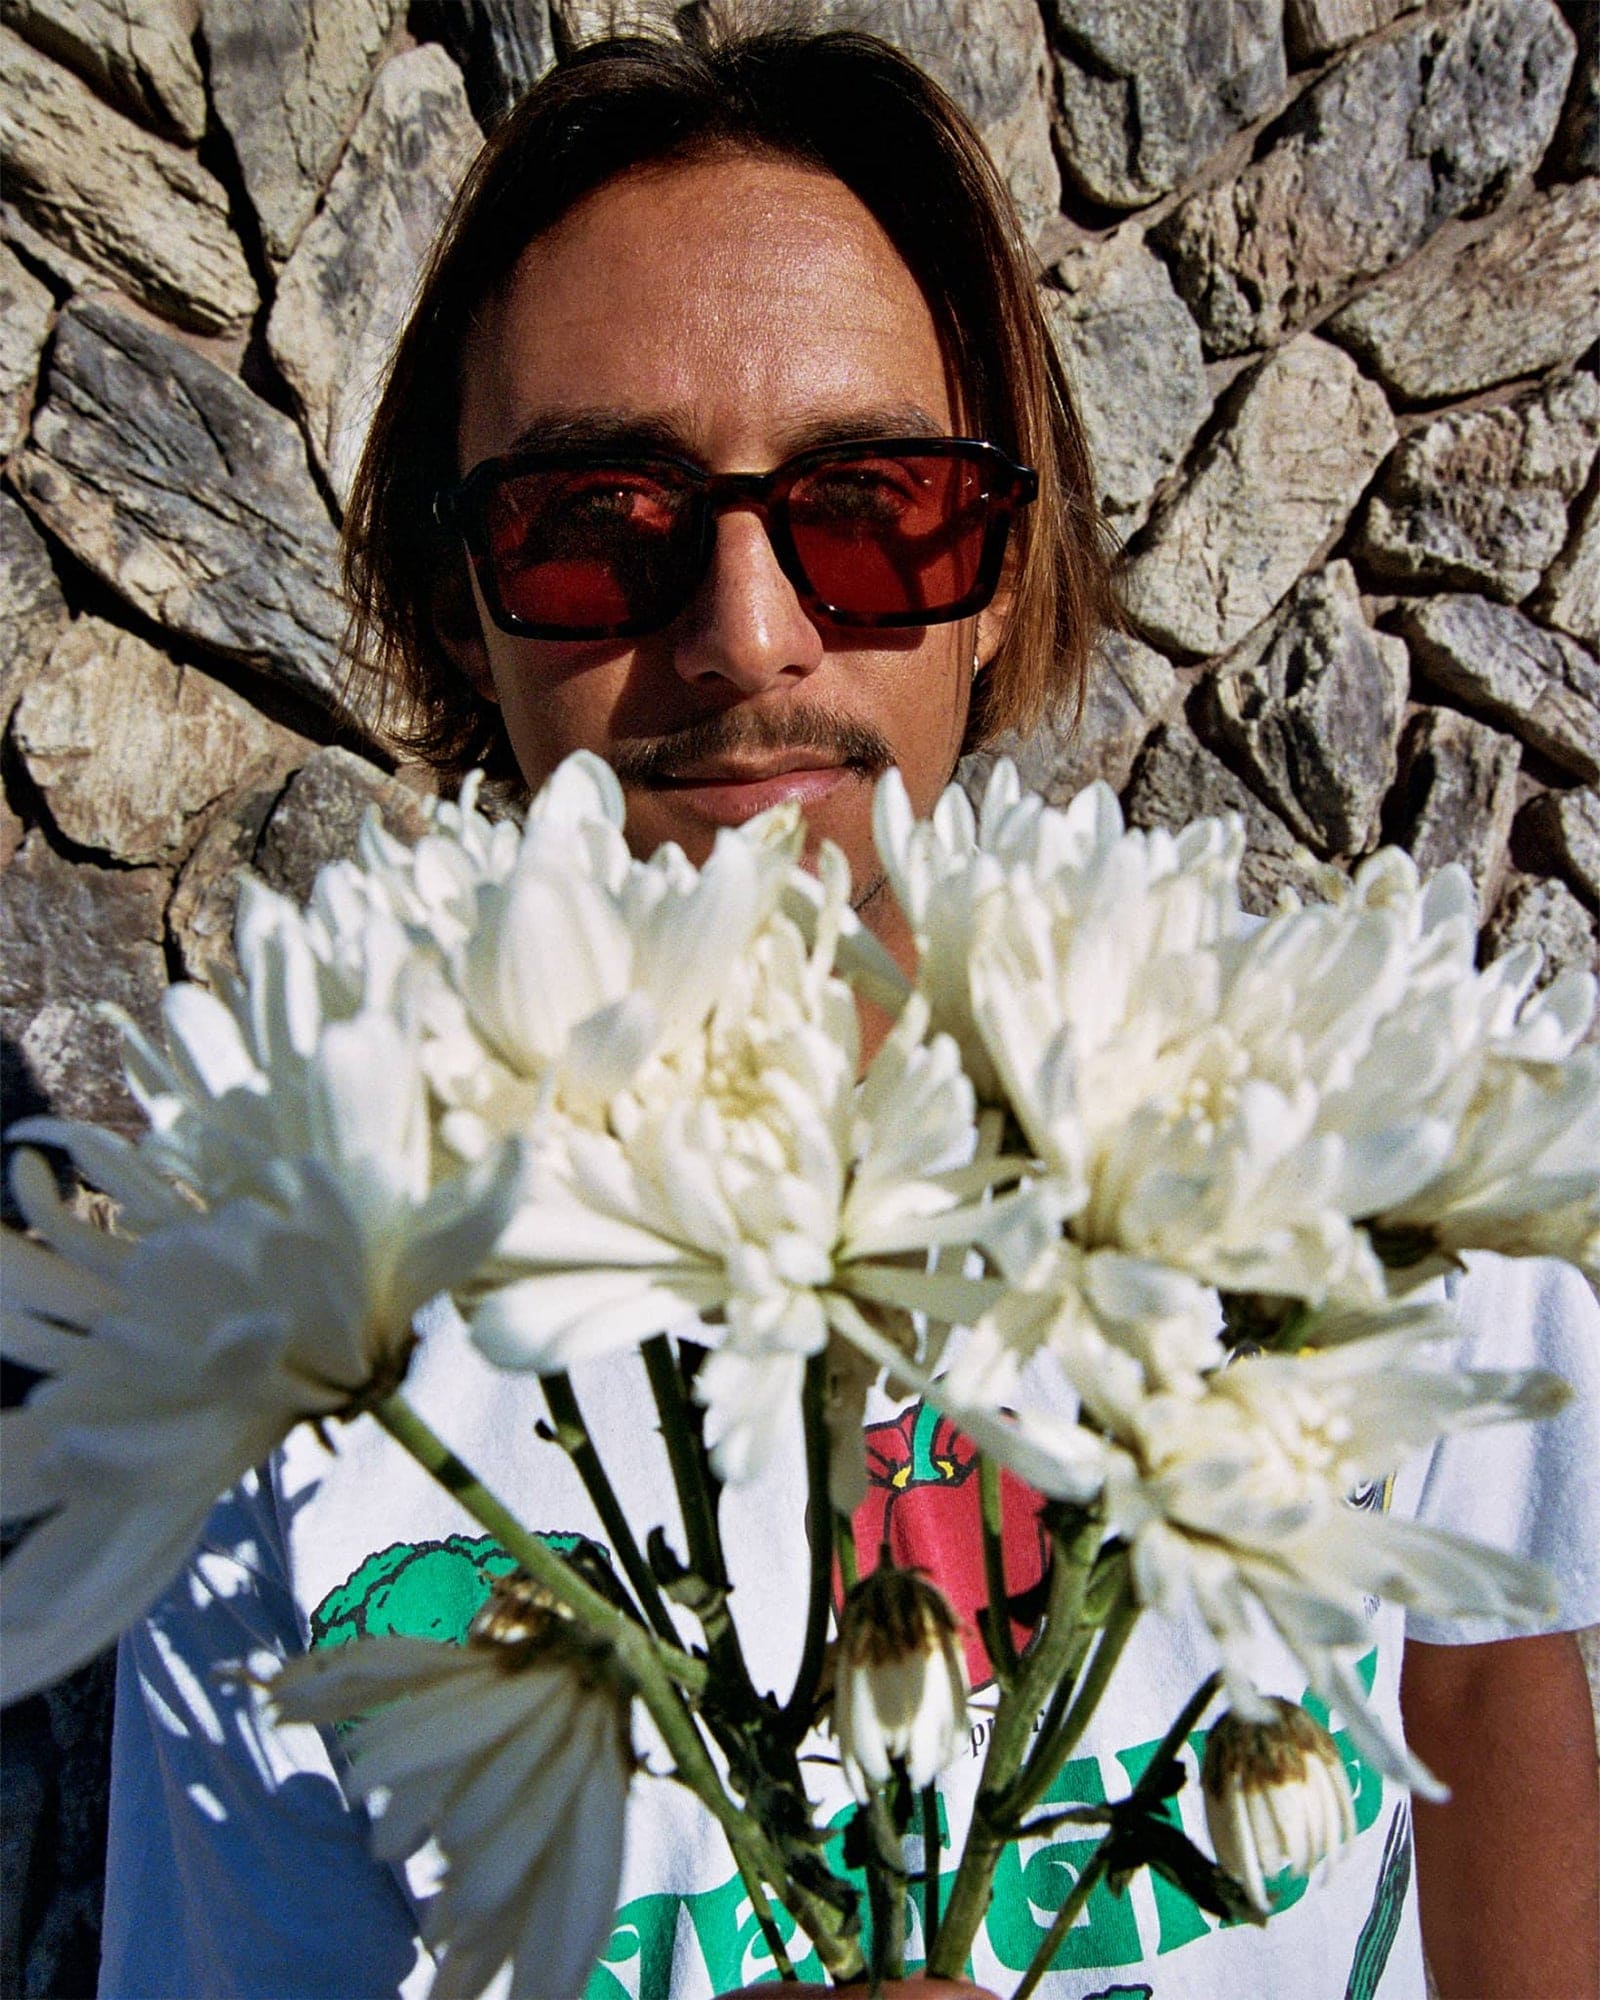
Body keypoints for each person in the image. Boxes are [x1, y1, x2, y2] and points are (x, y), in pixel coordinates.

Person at [97, 20, 1600, 2000]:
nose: (743, 632)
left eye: (874, 504)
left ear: (997, 570)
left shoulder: (1375, 1192)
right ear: (462, 597)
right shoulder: (276, 1392)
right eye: (589, 525)